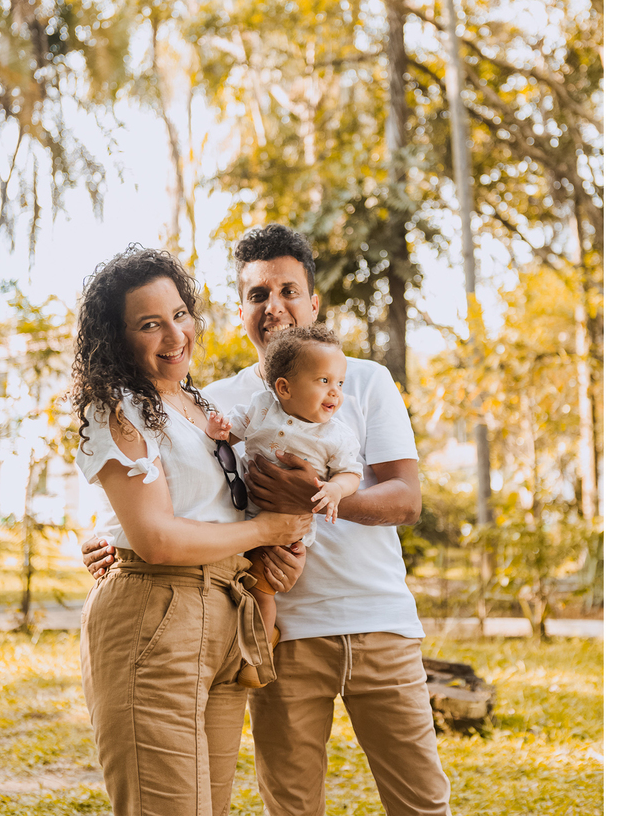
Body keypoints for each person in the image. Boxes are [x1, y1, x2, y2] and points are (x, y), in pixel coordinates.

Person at [84, 225, 453, 816]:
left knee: (421, 802)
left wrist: (315, 497)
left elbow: (406, 500)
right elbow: (170, 492)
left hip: (378, 616)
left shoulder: (362, 381)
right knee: (290, 805)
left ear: (314, 303)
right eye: (258, 295)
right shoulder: (217, 403)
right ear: (240, 312)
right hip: (276, 631)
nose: (274, 306)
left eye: (288, 290)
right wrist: (105, 536)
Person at [71, 245, 313, 816]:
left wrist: (276, 552)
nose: (174, 334)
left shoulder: (199, 407)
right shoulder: (118, 407)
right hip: (155, 619)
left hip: (227, 618)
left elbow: (203, 506)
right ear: (118, 337)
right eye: (149, 324)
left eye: (180, 314)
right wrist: (265, 529)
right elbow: (154, 537)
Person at [203, 323, 364, 689]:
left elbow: (351, 474)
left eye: (339, 383)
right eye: (323, 381)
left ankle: (257, 657)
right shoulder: (261, 408)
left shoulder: (335, 434)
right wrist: (219, 431)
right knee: (232, 583)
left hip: (286, 530)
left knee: (263, 587)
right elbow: (235, 431)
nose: (335, 393)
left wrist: (335, 490)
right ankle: (235, 643)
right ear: (284, 388)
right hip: (243, 519)